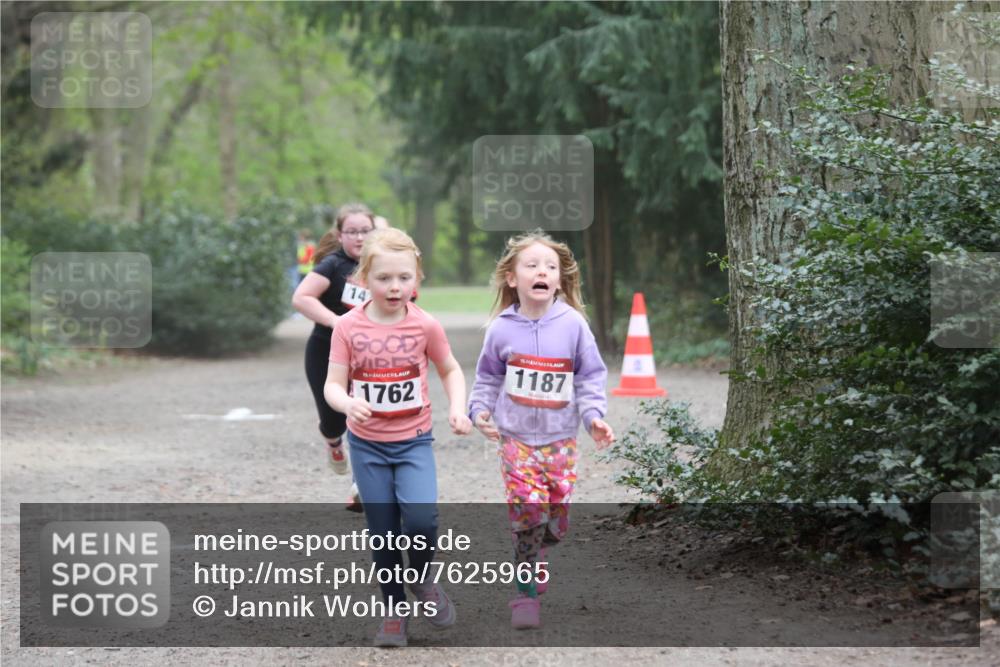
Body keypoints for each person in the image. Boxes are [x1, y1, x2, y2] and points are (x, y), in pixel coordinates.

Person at [324, 227, 473, 647]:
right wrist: (347, 403)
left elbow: (450, 369)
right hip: (367, 445)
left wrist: (457, 408)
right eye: (384, 278)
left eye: (404, 278)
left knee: (422, 519)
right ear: (363, 279)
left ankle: (423, 581)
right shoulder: (348, 327)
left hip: (414, 441)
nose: (394, 287)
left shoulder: (424, 324)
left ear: (417, 279)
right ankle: (393, 610)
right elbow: (332, 384)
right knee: (383, 529)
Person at [467, 230, 615, 630]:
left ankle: (541, 549)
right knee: (526, 509)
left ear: (559, 279)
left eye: (550, 266)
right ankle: (524, 591)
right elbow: (487, 378)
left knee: (557, 514)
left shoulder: (574, 325)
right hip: (515, 438)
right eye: (531, 265)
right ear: (512, 278)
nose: (542, 271)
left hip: (560, 438)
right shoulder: (501, 328)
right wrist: (479, 410)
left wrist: (593, 417)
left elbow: (590, 377)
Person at [292, 203, 375, 481]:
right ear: (340, 235)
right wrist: (336, 321)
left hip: (368, 355)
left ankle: (361, 485)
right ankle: (332, 442)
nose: (359, 237)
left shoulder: (381, 263)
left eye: (365, 231)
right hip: (326, 351)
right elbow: (301, 298)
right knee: (334, 420)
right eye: (352, 232)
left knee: (365, 417)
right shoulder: (333, 264)